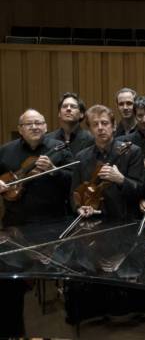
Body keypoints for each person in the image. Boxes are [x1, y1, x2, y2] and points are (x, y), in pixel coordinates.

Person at [0, 109, 73, 338]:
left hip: (52, 226)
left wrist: (53, 171)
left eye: (39, 123)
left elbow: (73, 179)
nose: (34, 127)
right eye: (29, 124)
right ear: (20, 129)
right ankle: (16, 331)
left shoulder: (59, 148)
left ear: (45, 125)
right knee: (13, 286)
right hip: (15, 227)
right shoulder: (5, 151)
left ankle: (56, 331)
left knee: (52, 280)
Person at [72, 105, 142, 222]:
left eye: (104, 123)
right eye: (95, 124)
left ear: (113, 126)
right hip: (92, 222)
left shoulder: (132, 152)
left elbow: (140, 191)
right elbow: (74, 193)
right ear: (90, 130)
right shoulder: (81, 157)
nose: (100, 128)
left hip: (124, 221)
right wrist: (78, 208)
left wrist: (121, 179)